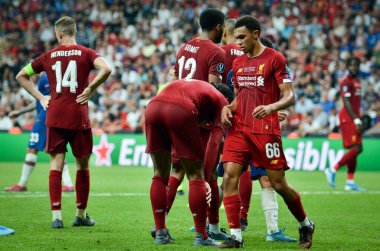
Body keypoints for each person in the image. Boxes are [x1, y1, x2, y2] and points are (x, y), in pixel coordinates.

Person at [218, 16, 314, 249]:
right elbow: (240, 98)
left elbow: (289, 95)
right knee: (230, 176)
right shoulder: (238, 64)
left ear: (255, 34)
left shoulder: (275, 59)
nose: (237, 42)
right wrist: (226, 108)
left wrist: (271, 107)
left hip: (265, 131)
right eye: (236, 37)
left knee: (278, 184)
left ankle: (305, 223)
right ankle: (235, 236)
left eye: (241, 37)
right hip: (240, 128)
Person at [15, 16, 112, 229]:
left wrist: (40, 97)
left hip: (55, 116)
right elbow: (106, 69)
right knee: (82, 165)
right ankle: (80, 215)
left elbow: (21, 75)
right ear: (74, 32)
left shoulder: (48, 56)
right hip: (78, 117)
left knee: (56, 163)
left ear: (59, 34)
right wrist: (90, 89)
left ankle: (56, 217)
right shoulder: (87, 53)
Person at [165, 8, 227, 240]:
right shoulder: (216, 52)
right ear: (219, 27)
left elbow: (176, 78)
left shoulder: (184, 47)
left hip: (177, 113)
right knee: (203, 174)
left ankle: (161, 223)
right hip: (200, 118)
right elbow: (214, 88)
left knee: (177, 169)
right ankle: (206, 231)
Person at [146, 79, 233, 246]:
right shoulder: (223, 103)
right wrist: (205, 180)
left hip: (153, 106)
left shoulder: (199, 88)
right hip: (180, 109)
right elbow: (214, 143)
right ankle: (202, 236)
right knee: (195, 176)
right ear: (228, 102)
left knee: (159, 174)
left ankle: (160, 233)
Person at [5, 73, 74, 192]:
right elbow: (41, 100)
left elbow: (52, 97)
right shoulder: (47, 76)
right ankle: (68, 184)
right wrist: (21, 112)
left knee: (33, 149)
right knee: (55, 150)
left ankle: (22, 184)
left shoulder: (47, 76)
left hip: (45, 116)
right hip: (50, 115)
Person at [325, 57, 365, 191]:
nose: (353, 67)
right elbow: (346, 102)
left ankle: (350, 182)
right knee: (358, 148)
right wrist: (356, 119)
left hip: (354, 116)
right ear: (348, 66)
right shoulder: (346, 81)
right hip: (348, 118)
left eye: (356, 65)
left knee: (354, 148)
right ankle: (332, 169)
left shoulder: (357, 80)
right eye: (351, 65)